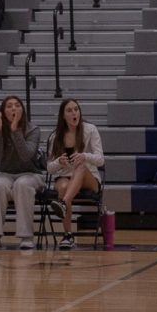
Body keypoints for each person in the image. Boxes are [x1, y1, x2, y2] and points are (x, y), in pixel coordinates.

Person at [44, 98, 103, 250]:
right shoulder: (55, 136)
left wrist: (85, 156)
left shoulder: (90, 129)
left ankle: (63, 203)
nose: (74, 113)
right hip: (65, 176)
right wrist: (59, 162)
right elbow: (49, 168)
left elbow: (101, 160)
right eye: (69, 110)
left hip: (89, 178)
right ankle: (68, 235)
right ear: (63, 116)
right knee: (63, 187)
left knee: (81, 166)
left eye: (76, 109)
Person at [0, 95, 44, 250]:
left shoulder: (33, 130)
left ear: (22, 110)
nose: (13, 108)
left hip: (31, 173)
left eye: (17, 105)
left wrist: (15, 130)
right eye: (9, 106)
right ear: (2, 112)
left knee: (22, 184)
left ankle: (26, 237)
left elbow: (26, 155)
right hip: (5, 173)